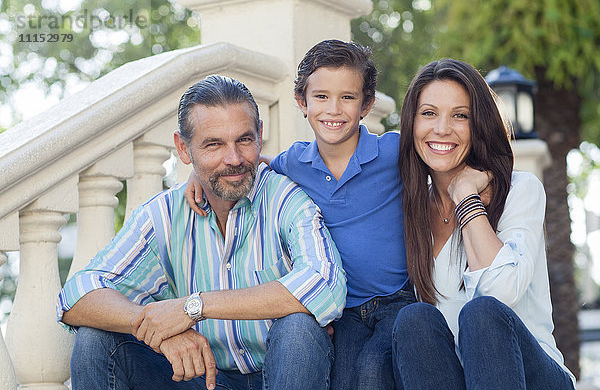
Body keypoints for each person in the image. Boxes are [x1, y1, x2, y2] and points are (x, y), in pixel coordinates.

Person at [56, 75, 347, 390]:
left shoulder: (285, 198)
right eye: (214, 144)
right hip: (205, 380)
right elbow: (76, 295)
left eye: (244, 140)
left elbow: (326, 285)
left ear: (260, 135)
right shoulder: (165, 215)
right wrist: (158, 326)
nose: (234, 159)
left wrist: (192, 306)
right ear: (183, 148)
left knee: (298, 329)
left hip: (282, 376)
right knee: (94, 343)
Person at [185, 39, 415, 390]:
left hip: (395, 298)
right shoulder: (294, 162)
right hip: (344, 309)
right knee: (345, 376)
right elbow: (248, 165)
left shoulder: (393, 152)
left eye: (348, 98)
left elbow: (441, 161)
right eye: (321, 97)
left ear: (367, 104)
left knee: (373, 371)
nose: (333, 110)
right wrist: (195, 173)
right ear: (301, 102)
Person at [393, 59, 576, 389]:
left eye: (459, 115)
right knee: (413, 320)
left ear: (478, 123)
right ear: (412, 122)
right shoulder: (411, 207)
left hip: (534, 378)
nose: (442, 128)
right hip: (458, 378)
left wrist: (467, 199)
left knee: (481, 314)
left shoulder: (520, 189)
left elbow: (502, 293)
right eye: (429, 113)